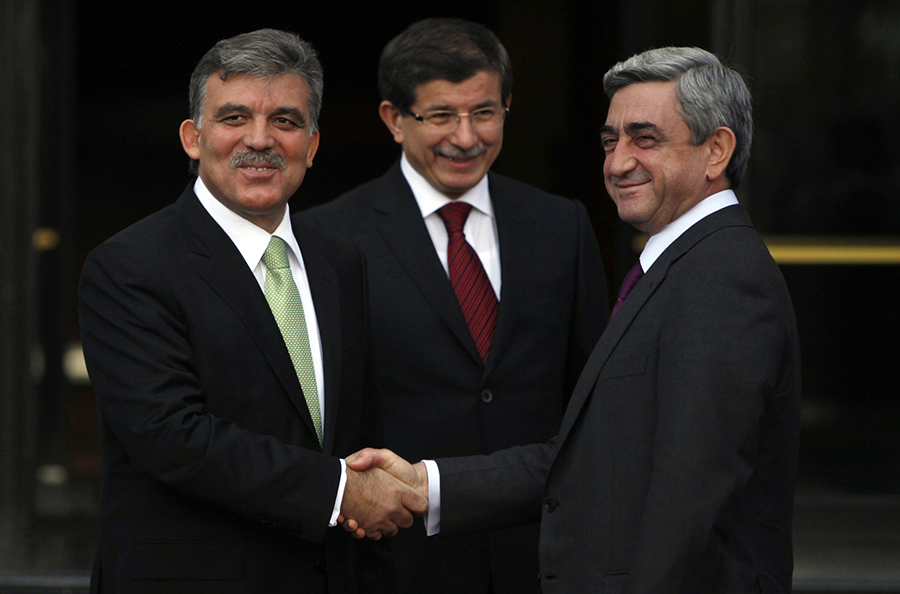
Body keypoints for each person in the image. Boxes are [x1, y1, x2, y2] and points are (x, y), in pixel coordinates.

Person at [348, 46, 802, 593]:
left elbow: (688, 506)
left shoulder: (721, 278)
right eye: (611, 140)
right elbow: (592, 457)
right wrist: (425, 484)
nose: (617, 162)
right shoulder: (681, 266)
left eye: (645, 138)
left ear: (716, 151)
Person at [79, 29, 424, 594]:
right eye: (234, 118)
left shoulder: (340, 264)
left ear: (312, 145)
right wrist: (339, 491)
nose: (260, 140)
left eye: (285, 121)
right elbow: (172, 436)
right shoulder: (128, 267)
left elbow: (358, 438)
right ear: (193, 137)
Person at [301, 18, 607, 594]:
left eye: (485, 113)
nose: (466, 137)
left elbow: (591, 394)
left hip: (542, 553)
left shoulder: (561, 225)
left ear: (507, 107)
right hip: (398, 561)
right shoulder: (330, 238)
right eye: (441, 116)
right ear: (394, 119)